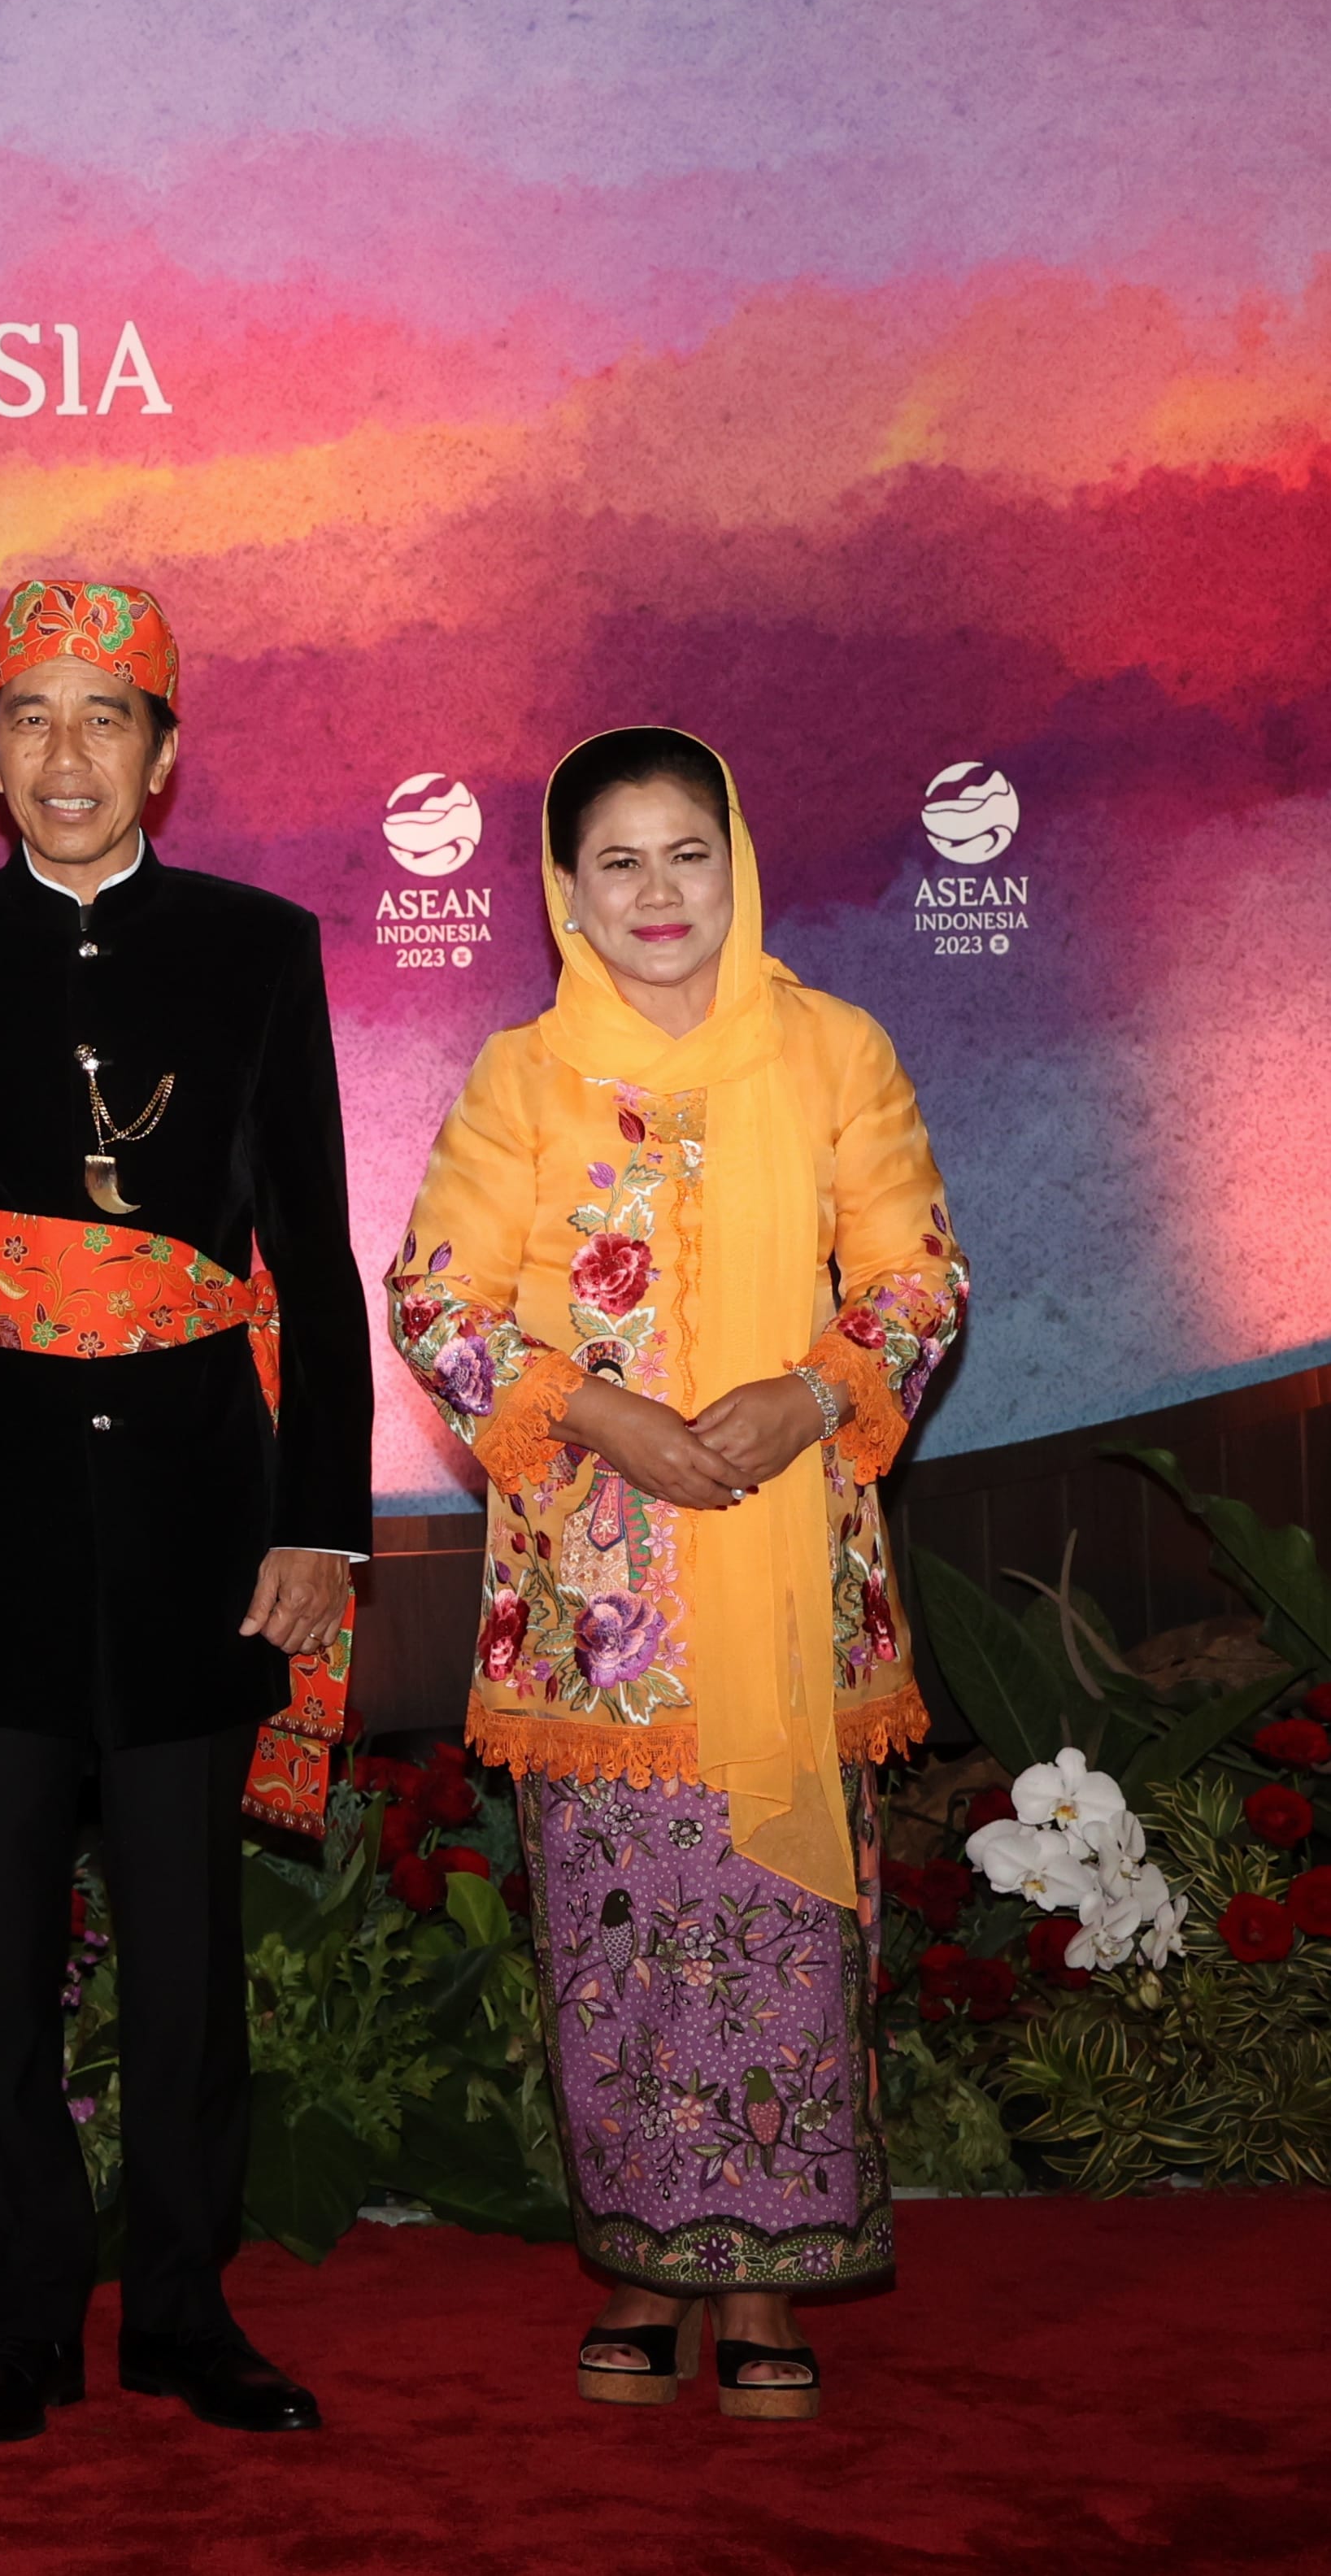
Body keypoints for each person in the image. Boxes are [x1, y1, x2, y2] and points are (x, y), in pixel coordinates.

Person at [0, 581, 368, 2444]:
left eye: (104, 716)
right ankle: (26, 2316)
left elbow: (310, 1244)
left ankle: (187, 2311)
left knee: (184, 1955)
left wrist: (317, 1522)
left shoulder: (253, 949)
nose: (66, 754)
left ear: (161, 750)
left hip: (202, 1530)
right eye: (29, 718)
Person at [386, 726, 964, 2421]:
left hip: (794, 1578)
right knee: (622, 1942)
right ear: (564, 891)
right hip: (602, 1605)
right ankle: (645, 2262)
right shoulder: (522, 1077)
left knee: (787, 1939)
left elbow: (914, 1275)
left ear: (736, 861)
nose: (656, 893)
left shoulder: (830, 1051)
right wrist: (595, 1413)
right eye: (615, 862)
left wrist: (806, 1391)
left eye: (684, 854)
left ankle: (768, 2291)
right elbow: (435, 1295)